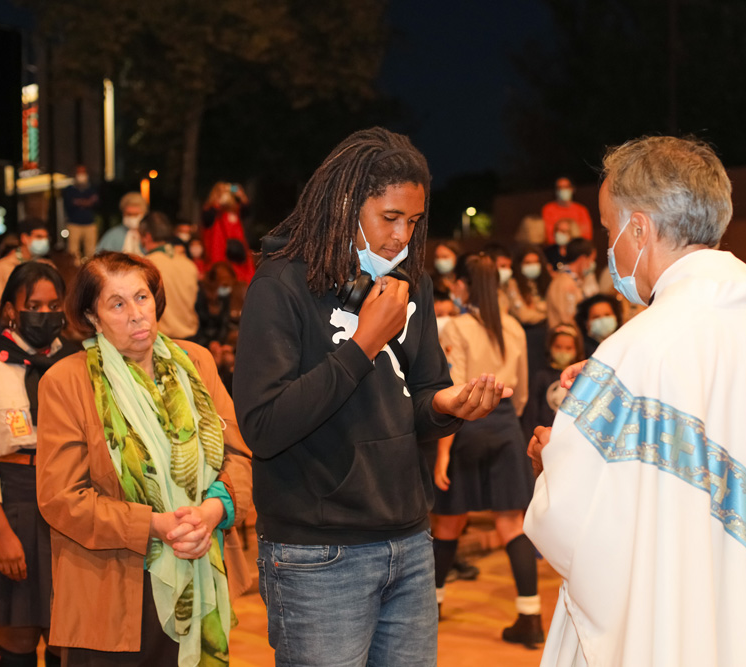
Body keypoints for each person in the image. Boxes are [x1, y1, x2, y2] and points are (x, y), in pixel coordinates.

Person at [525, 135, 746, 666]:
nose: (609, 248)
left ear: (638, 228)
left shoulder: (642, 344)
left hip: (681, 607)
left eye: (608, 229)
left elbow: (578, 519)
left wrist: (553, 459)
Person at [233, 127, 508, 666]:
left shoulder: (413, 286)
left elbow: (421, 397)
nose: (402, 236)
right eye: (390, 218)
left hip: (408, 541)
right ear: (344, 205)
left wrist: (448, 407)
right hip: (317, 555)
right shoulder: (281, 285)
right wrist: (364, 342)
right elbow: (263, 427)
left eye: (414, 221)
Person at [36, 252, 252, 665]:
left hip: (201, 567)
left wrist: (212, 510)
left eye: (142, 297)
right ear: (92, 317)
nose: (137, 314)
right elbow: (61, 498)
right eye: (117, 304)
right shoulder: (66, 381)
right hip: (110, 590)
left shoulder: (197, 362)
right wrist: (155, 525)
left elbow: (240, 456)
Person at [0, 262, 76, 667]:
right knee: (19, 633)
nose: (45, 314)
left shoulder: (78, 362)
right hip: (16, 502)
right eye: (34, 305)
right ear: (11, 310)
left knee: (68, 632)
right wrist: (1, 531)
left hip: (71, 501)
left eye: (54, 305)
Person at [431, 254, 539, 647]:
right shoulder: (514, 326)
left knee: (447, 522)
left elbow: (453, 393)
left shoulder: (456, 327)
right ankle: (530, 616)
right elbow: (523, 393)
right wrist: (506, 417)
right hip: (507, 423)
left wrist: (442, 454)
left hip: (467, 427)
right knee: (512, 524)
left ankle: (435, 605)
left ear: (461, 286)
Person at [139, 212, 200, 340]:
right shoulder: (188, 264)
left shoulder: (146, 267)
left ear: (147, 237)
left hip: (163, 341)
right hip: (191, 338)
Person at [0, 218, 54, 327]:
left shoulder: (48, 266)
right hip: (13, 328)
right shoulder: (4, 266)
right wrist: (14, 322)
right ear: (24, 238)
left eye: (46, 237)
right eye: (39, 237)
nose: (44, 241)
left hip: (44, 328)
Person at [522, 323, 584, 440]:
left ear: (577, 349)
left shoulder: (582, 379)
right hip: (544, 437)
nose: (563, 352)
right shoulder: (541, 377)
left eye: (568, 348)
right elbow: (530, 415)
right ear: (550, 347)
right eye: (558, 347)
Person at [202, 182, 255, 283]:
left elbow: (247, 210)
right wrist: (218, 200)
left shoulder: (235, 211)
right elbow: (207, 219)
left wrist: (240, 194)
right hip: (219, 257)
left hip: (237, 256)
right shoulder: (212, 210)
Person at [545, 237, 595, 329]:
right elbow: (568, 319)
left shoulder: (572, 280)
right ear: (583, 259)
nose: (592, 264)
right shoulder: (565, 283)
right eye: (591, 260)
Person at [62, 165, 100, 261]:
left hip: (90, 223)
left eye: (83, 172)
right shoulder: (69, 190)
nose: (81, 175)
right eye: (79, 172)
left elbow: (96, 202)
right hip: (74, 224)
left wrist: (80, 202)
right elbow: (71, 203)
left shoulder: (92, 188)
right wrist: (87, 202)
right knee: (73, 252)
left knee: (91, 252)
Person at [505, 244, 550, 326]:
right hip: (528, 330)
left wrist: (537, 308)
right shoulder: (513, 284)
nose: (533, 266)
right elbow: (524, 316)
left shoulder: (544, 282)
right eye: (528, 263)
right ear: (519, 265)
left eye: (536, 262)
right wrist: (546, 314)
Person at [542, 177, 593, 243]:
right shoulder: (548, 209)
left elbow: (587, 235)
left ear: (572, 189)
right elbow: (549, 236)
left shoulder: (581, 210)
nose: (563, 190)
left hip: (576, 248)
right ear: (555, 191)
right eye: (560, 187)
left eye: (566, 187)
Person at [575, 293, 622, 357]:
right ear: (586, 323)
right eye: (596, 317)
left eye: (607, 315)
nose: (603, 320)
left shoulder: (625, 343)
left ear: (616, 317)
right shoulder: (579, 350)